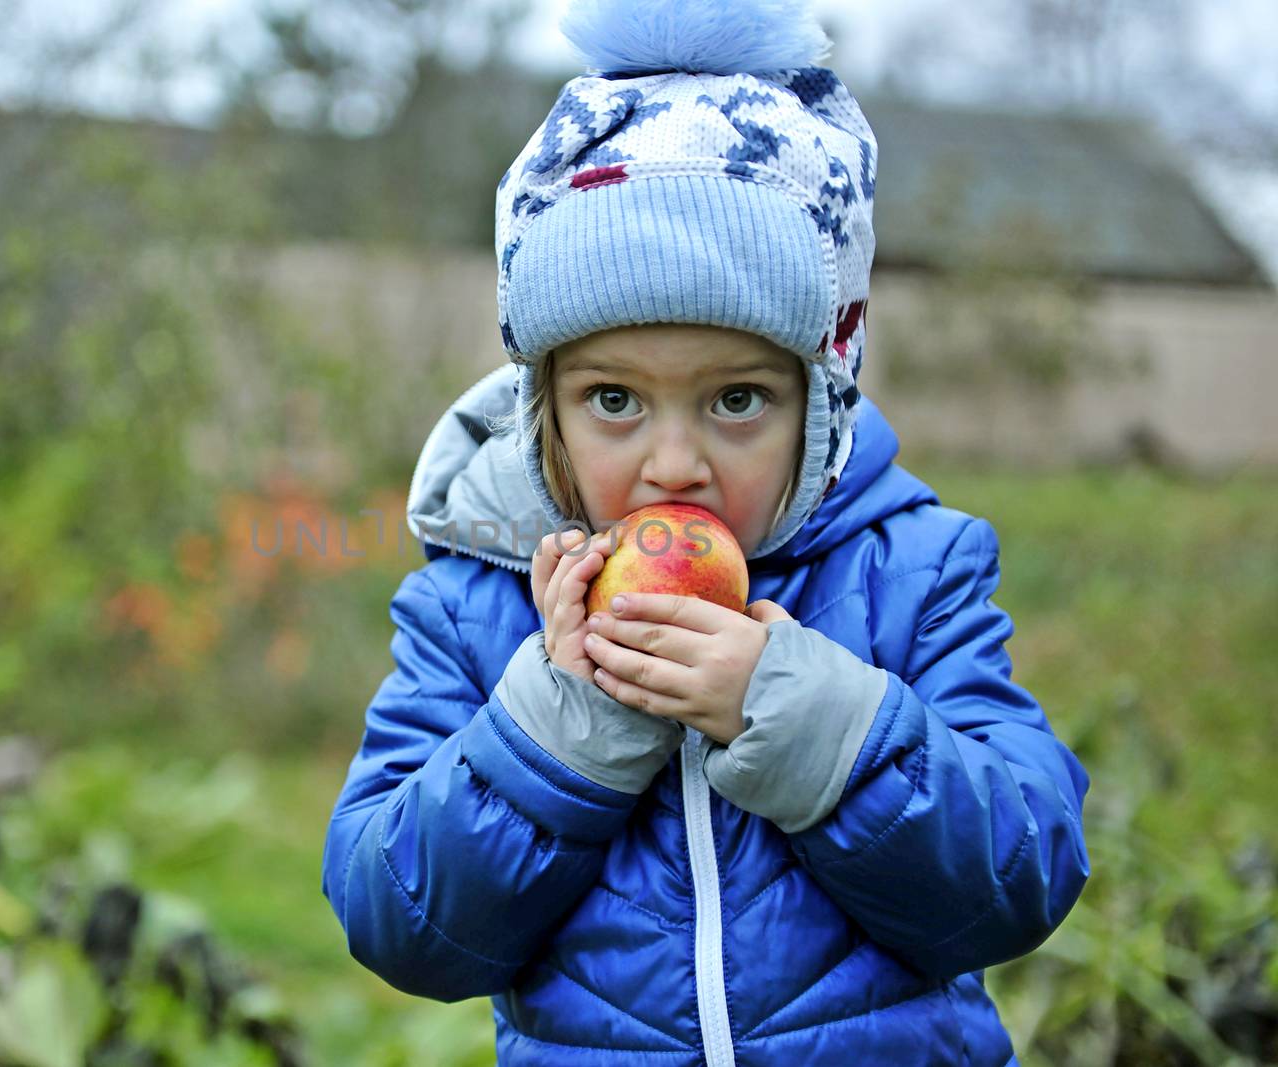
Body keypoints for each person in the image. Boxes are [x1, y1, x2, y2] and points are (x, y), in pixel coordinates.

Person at [321, 0, 1092, 1062]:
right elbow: (399, 923)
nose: (673, 461)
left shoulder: (912, 572)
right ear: (540, 401)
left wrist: (799, 714)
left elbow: (1020, 878)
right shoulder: (475, 605)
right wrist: (564, 718)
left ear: (817, 404)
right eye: (613, 400)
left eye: (734, 400)